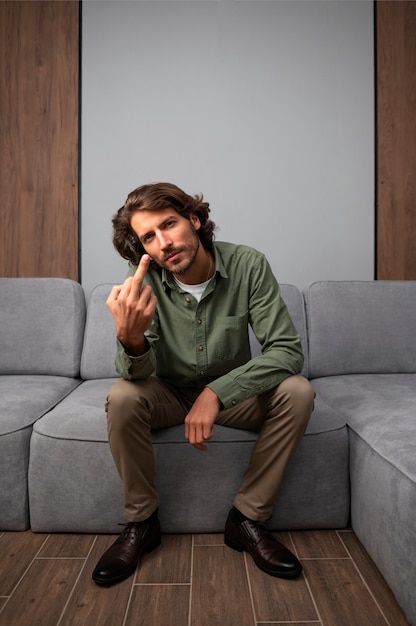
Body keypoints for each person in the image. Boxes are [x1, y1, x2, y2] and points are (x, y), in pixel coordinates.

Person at [92, 182, 315, 586]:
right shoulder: (142, 277)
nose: (163, 243)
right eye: (149, 237)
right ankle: (142, 524)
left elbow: (286, 351)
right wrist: (131, 339)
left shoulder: (248, 264)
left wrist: (216, 393)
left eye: (169, 224)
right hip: (169, 393)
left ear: (194, 219)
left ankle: (246, 520)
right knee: (122, 397)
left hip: (233, 396)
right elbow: (137, 375)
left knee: (298, 391)